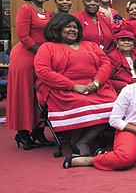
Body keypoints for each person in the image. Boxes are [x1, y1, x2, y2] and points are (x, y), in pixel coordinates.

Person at [62, 55, 136, 170]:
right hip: (129, 131)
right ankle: (91, 160)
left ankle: (118, 157)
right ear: (135, 72)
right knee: (126, 157)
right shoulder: (127, 91)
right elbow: (114, 120)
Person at [34, 13, 117, 156]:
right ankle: (75, 140)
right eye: (68, 27)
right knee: (80, 101)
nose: (73, 30)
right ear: (57, 28)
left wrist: (96, 82)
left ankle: (83, 141)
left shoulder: (90, 45)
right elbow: (43, 71)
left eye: (75, 27)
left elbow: (106, 63)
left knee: (115, 104)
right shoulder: (47, 47)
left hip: (95, 86)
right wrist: (73, 86)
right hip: (61, 88)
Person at [7, 0, 56, 149]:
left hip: (40, 59)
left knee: (39, 96)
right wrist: (42, 54)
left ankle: (38, 131)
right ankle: (23, 134)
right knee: (26, 95)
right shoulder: (25, 9)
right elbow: (23, 37)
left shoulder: (46, 12)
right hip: (25, 58)